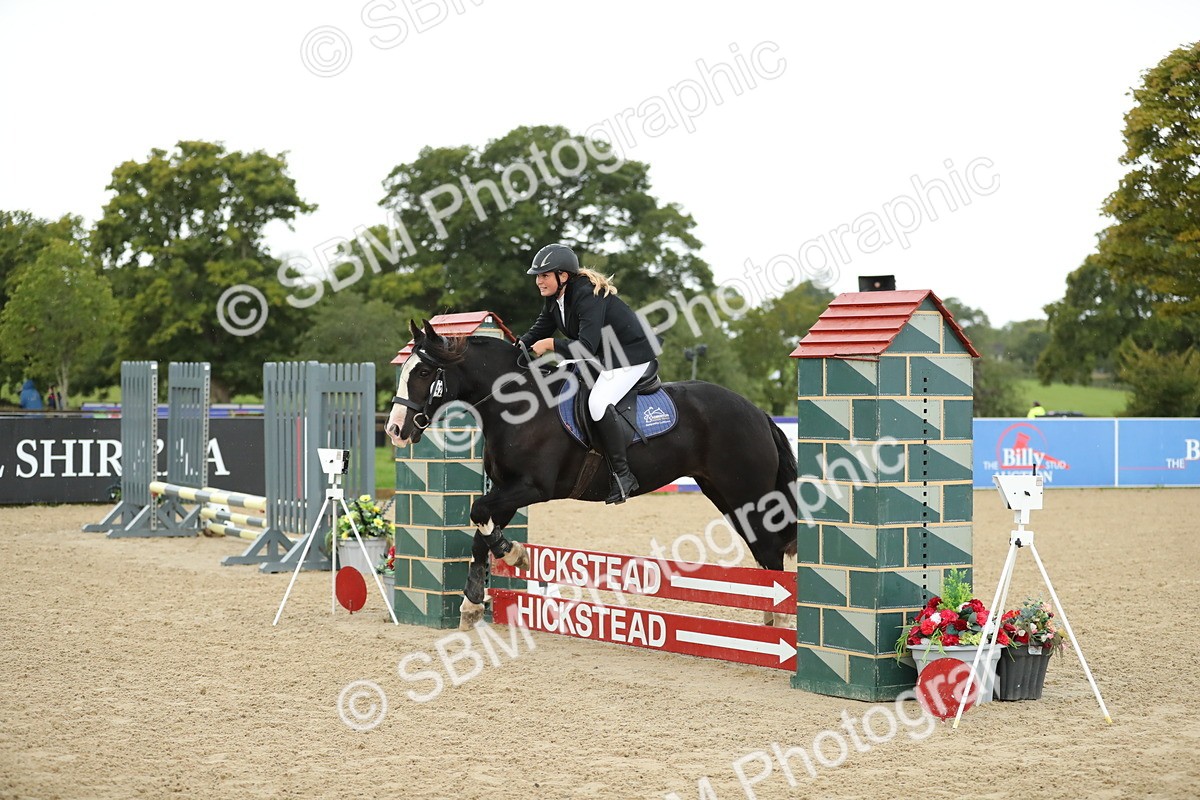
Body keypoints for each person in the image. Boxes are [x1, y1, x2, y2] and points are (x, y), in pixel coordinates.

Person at [517, 243, 658, 504]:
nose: (539, 281)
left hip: (630, 356)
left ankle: (623, 475)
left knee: (597, 403)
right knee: (559, 381)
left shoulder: (585, 295)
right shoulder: (555, 298)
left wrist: (550, 345)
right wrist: (517, 346)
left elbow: (585, 347)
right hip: (604, 358)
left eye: (544, 275)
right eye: (537, 276)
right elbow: (539, 328)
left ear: (563, 276)